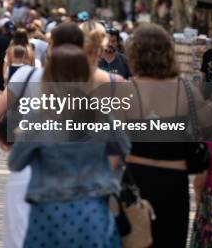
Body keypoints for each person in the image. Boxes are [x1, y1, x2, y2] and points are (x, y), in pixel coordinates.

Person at [7, 44, 126, 248]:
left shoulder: (38, 117)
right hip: (93, 212)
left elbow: (15, 163)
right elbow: (122, 147)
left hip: (48, 213)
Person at [0, 21, 85, 248]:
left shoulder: (26, 74)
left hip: (27, 172)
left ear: (51, 46)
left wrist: (7, 144)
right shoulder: (98, 82)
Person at [122, 23, 212, 247]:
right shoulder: (187, 91)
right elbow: (211, 127)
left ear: (134, 54)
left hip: (135, 182)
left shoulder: (126, 90)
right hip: (174, 185)